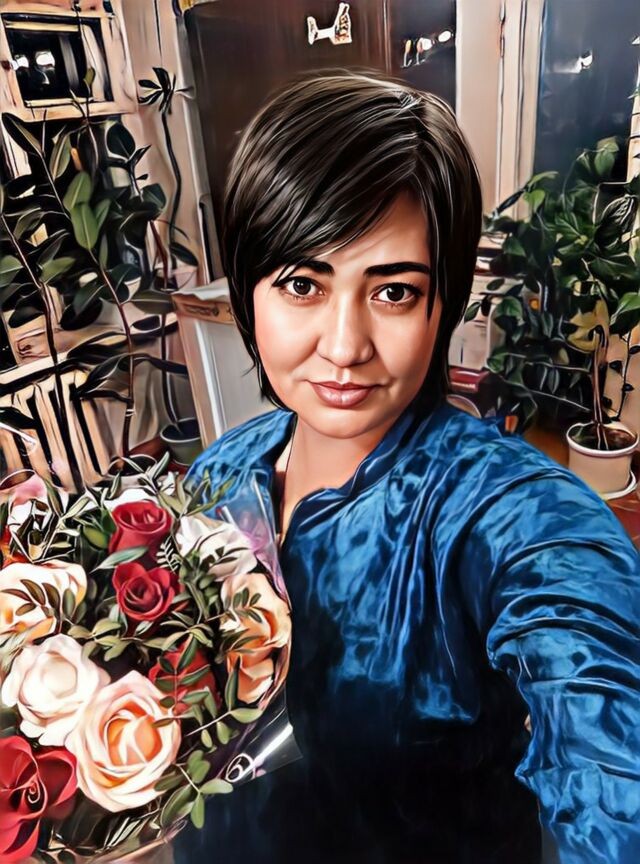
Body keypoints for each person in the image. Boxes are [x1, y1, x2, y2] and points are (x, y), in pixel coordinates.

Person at [180, 69, 640, 864]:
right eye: (302, 283)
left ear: (442, 303)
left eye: (393, 292)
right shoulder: (219, 473)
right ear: (249, 289)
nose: (344, 345)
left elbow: (611, 762)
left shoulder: (508, 513)